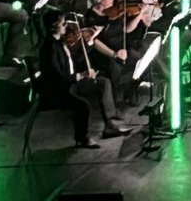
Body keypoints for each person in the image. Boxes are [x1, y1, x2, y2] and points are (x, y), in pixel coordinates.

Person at [36, 10, 129, 148]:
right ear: (54, 26)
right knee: (82, 105)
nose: (66, 26)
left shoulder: (60, 43)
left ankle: (109, 125)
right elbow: (58, 76)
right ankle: (82, 137)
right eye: (63, 24)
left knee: (103, 83)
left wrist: (89, 44)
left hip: (71, 82)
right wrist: (81, 76)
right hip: (60, 89)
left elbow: (75, 61)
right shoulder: (50, 48)